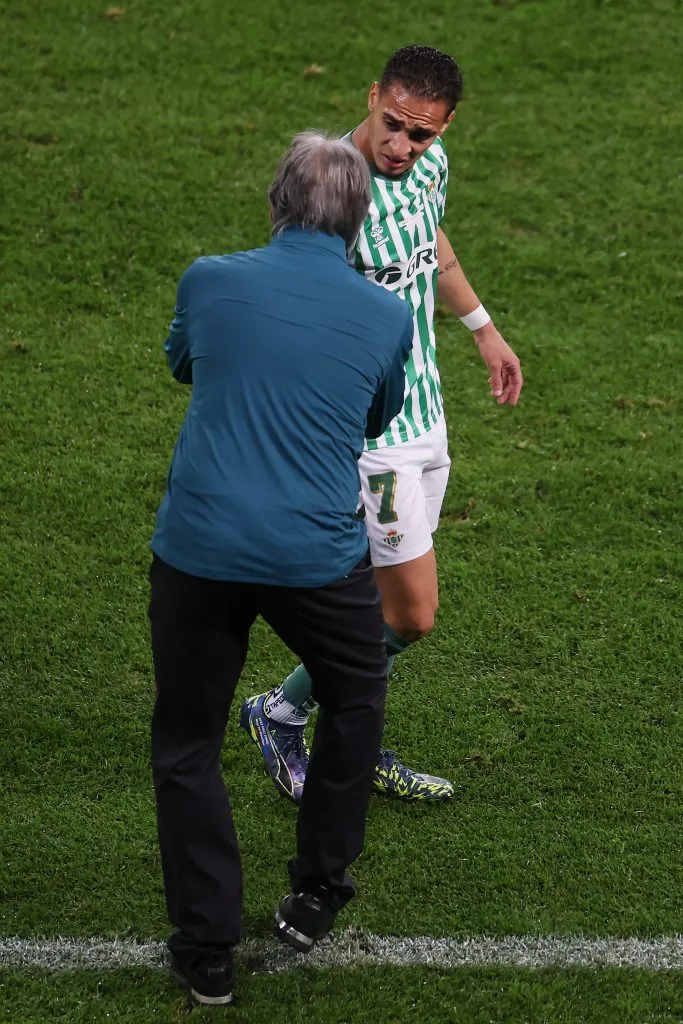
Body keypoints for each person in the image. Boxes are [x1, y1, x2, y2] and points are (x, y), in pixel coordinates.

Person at [149, 131, 414, 1006]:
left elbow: (183, 362)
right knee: (356, 698)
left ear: (276, 203)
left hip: (199, 550)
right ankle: (316, 893)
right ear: (357, 222)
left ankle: (206, 950)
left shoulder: (208, 279)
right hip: (316, 558)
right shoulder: (386, 316)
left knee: (187, 740)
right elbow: (375, 418)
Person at [241, 45, 524, 803]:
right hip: (368, 436)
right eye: (392, 124)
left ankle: (336, 729)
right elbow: (291, 305)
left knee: (373, 604)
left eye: (420, 134)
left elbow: (429, 243)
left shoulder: (430, 167)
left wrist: (483, 329)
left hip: (425, 411)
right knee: (412, 613)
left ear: (444, 127)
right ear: (372, 96)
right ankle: (286, 714)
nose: (401, 146)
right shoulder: (327, 190)